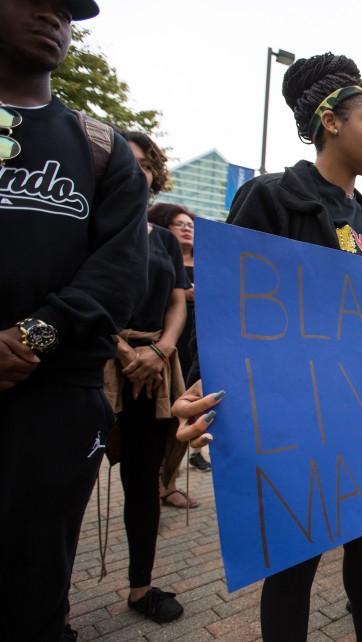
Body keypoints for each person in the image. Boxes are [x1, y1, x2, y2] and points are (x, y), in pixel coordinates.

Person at [225, 51, 362, 641]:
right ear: (330, 122)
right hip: (298, 421)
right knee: (295, 565)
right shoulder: (270, 198)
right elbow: (231, 310)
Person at [0, 1, 150, 637]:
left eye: (66, 8)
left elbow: (120, 275)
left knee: (33, 584)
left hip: (53, 399)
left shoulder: (103, 149)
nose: (53, 16)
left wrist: (30, 336)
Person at [102, 131, 190, 623]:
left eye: (146, 164)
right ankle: (49, 608)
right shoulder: (91, 223)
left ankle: (140, 588)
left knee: (144, 480)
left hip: (156, 369)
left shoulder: (164, 241)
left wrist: (159, 349)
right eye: (126, 161)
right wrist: (120, 347)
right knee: (68, 484)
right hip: (98, 363)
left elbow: (177, 300)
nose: (137, 170)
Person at [147, 203, 211, 472]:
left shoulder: (207, 263)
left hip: (195, 341)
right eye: (180, 225)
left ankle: (172, 476)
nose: (187, 230)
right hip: (169, 341)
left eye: (190, 225)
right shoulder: (158, 263)